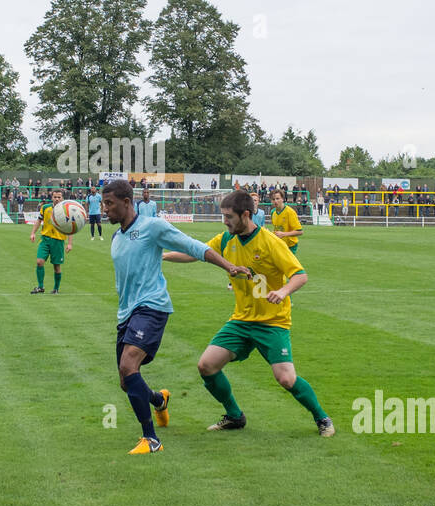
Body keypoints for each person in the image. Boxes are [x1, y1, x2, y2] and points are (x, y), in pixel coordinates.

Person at [163, 189, 334, 438]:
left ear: (245, 214)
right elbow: (195, 253)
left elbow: (300, 275)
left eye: (229, 216)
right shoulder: (225, 240)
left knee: (286, 379)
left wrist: (284, 291)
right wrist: (161, 255)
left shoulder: (270, 242)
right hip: (241, 321)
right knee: (206, 366)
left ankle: (323, 418)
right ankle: (234, 416)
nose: (225, 221)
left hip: (272, 322)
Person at [101, 178, 248, 454]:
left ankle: (151, 440)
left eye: (109, 203)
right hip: (127, 314)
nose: (104, 209)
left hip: (152, 307)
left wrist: (228, 265)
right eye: (103, 203)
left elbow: (192, 245)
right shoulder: (116, 236)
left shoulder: (151, 226)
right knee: (126, 381)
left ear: (126, 202)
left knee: (128, 365)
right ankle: (159, 400)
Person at [30, 189, 73, 293]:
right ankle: (40, 287)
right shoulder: (45, 208)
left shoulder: (66, 210)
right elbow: (39, 220)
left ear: (62, 198)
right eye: (55, 197)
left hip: (58, 241)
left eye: (59, 197)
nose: (57, 199)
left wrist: (70, 243)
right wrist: (33, 233)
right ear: (51, 197)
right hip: (45, 239)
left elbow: (70, 227)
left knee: (56, 266)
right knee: (39, 262)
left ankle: (56, 289)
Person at [270, 189, 304, 254]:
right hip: (279, 245)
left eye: (277, 198)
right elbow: (277, 229)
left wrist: (284, 234)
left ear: (283, 199)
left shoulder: (290, 212)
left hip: (290, 246)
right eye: (273, 199)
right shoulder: (273, 212)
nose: (275, 201)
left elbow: (300, 231)